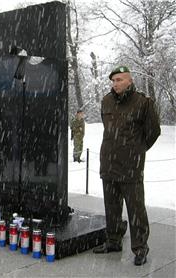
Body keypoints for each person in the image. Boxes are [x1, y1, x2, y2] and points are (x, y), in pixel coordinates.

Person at [93, 66, 161, 266]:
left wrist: (136, 150)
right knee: (111, 207)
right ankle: (113, 241)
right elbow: (108, 129)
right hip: (109, 164)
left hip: (131, 166)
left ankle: (140, 248)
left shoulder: (143, 102)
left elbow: (153, 131)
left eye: (120, 80)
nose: (115, 84)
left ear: (129, 81)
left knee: (136, 209)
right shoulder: (106, 101)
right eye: (113, 80)